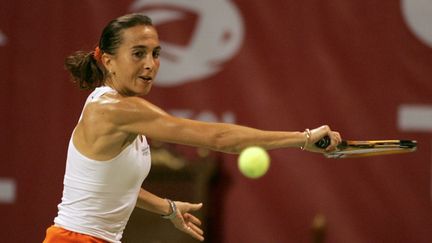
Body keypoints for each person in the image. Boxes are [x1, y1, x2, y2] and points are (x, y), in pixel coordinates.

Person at [43, 13, 341, 243]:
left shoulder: (115, 106)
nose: (150, 64)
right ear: (108, 61)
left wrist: (167, 208)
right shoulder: (116, 111)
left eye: (156, 53)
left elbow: (109, 188)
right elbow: (220, 137)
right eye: (138, 53)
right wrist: (303, 139)